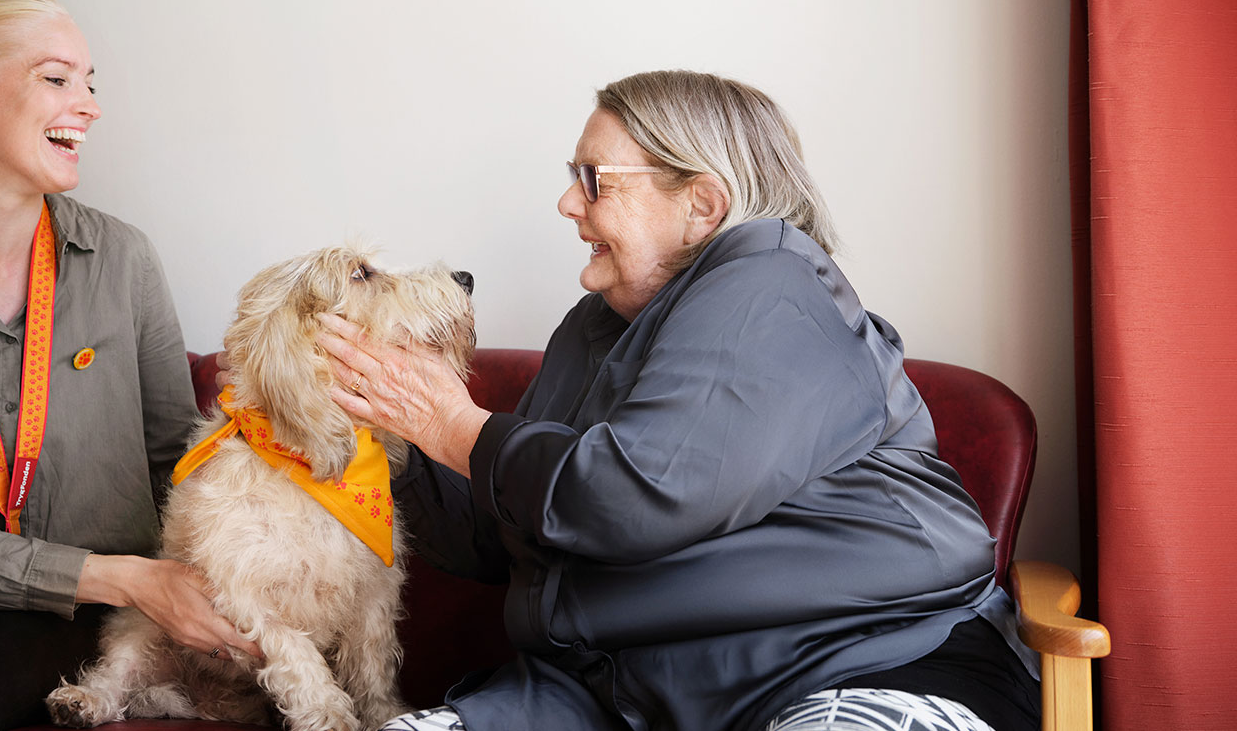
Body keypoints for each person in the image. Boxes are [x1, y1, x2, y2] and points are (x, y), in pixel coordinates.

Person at [320, 70, 1042, 731]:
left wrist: (450, 421)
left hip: (852, 665)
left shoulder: (775, 288)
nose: (568, 201)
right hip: (611, 697)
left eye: (594, 179)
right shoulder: (596, 325)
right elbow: (495, 532)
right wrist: (374, 425)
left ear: (703, 204)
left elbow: (631, 497)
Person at [0, 0, 259, 731]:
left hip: (81, 604)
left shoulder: (121, 259)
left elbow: (175, 462)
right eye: (57, 78)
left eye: (89, 83)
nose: (89, 105)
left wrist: (247, 427)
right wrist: (122, 577)